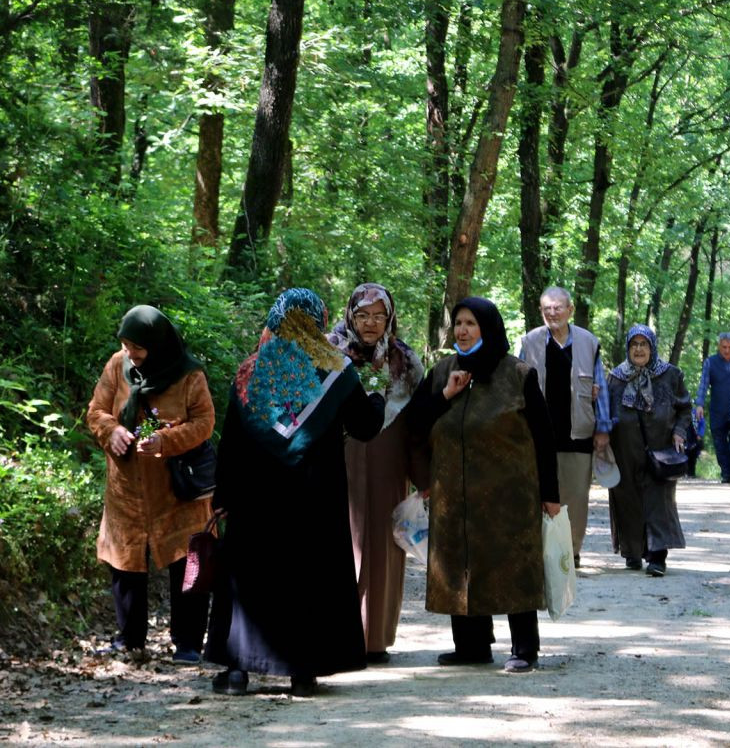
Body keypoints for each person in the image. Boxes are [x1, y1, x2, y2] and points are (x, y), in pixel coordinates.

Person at [206, 289, 386, 697]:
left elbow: (231, 441)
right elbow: (364, 427)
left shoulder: (250, 372)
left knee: (250, 580)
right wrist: (375, 400)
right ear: (319, 322)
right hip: (313, 498)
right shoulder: (336, 370)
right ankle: (303, 673)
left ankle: (237, 671)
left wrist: (222, 497)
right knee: (308, 578)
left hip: (254, 500)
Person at [408, 297, 559, 674]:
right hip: (453, 493)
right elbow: (413, 424)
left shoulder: (517, 374)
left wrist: (551, 495)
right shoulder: (442, 372)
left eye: (471, 323)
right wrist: (446, 395)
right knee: (459, 562)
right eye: (458, 323)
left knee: (513, 566)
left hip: (510, 495)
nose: (462, 330)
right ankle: (471, 645)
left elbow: (544, 436)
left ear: (487, 328)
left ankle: (525, 648)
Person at [86, 305, 215, 663]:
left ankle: (188, 643)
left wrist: (165, 440)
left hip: (177, 487)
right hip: (127, 485)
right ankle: (130, 639)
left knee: (186, 560)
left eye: (137, 347)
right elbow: (97, 410)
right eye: (126, 346)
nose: (131, 354)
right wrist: (111, 432)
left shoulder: (189, 375)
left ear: (158, 344)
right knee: (125, 557)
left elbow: (204, 422)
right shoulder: (117, 366)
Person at [327, 283, 430, 665]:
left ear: (390, 318)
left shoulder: (405, 361)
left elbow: (418, 423)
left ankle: (376, 639)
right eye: (362, 315)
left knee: (385, 545)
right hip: (340, 455)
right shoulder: (329, 351)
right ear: (350, 314)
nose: (370, 323)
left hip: (390, 458)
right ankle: (340, 632)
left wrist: (423, 476)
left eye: (378, 316)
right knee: (343, 539)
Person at [517, 286, 611, 568]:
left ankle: (570, 553)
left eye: (558, 307)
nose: (552, 312)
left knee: (574, 499)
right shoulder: (529, 341)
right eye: (547, 308)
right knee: (536, 495)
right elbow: (515, 384)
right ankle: (539, 552)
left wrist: (603, 427)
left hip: (577, 434)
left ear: (570, 310)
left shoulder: (588, 342)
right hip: (536, 435)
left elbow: (601, 387)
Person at [606, 325, 692, 577]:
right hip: (624, 450)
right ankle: (633, 552)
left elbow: (685, 409)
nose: (639, 349)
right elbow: (605, 411)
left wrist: (679, 432)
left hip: (661, 450)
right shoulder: (616, 377)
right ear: (628, 348)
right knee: (627, 499)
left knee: (658, 502)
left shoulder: (670, 375)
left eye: (644, 344)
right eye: (634, 344)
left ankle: (657, 557)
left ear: (652, 347)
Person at [695, 332, 730, 483]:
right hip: (717, 410)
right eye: (724, 347)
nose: (727, 350)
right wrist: (699, 404)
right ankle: (726, 473)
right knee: (719, 443)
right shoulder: (710, 362)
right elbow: (703, 384)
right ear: (719, 346)